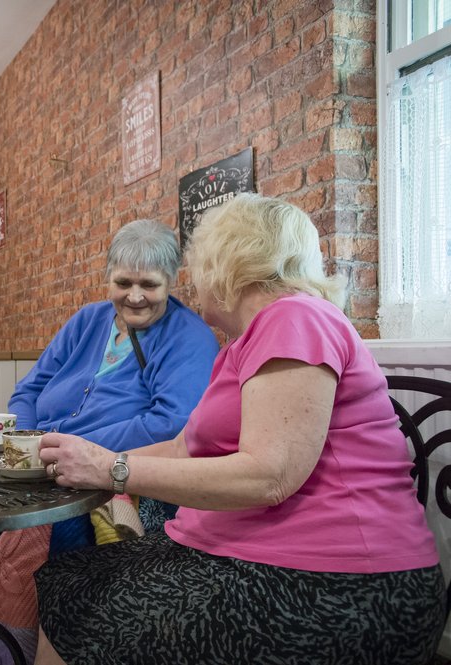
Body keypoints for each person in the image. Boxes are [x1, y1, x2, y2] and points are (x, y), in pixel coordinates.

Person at [34, 193, 445, 664]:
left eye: (195, 267)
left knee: (79, 600)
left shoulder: (295, 317)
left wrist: (114, 470)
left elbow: (269, 475)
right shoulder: (245, 344)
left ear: (225, 265)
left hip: (340, 582)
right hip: (265, 558)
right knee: (67, 582)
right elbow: (181, 447)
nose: (192, 282)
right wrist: (87, 463)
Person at [0, 220, 220, 665]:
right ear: (107, 277)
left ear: (172, 282)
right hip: (43, 463)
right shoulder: (87, 321)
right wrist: (30, 442)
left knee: (37, 535)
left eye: (149, 285)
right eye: (123, 282)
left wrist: (73, 449)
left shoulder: (188, 337)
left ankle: (18, 647)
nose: (135, 296)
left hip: (113, 476)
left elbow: (169, 423)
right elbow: (28, 390)